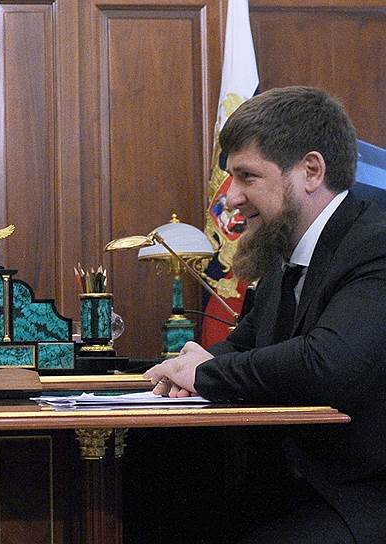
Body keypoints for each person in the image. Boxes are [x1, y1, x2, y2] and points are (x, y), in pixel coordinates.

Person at [144, 86, 386, 543]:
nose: (231, 198)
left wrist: (207, 372)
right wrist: (187, 366)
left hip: (360, 497)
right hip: (289, 489)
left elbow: (325, 363)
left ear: (311, 171)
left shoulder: (375, 244)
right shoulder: (282, 255)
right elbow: (242, 346)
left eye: (247, 176)